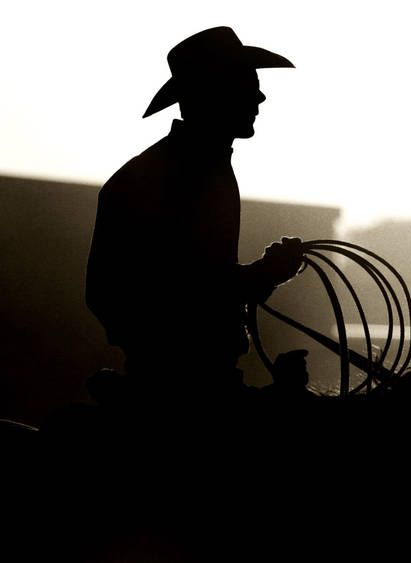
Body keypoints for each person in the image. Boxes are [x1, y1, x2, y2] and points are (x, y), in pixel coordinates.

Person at [86, 27, 305, 404]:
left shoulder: (189, 167)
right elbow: (188, 287)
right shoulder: (176, 175)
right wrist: (264, 274)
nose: (260, 95)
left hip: (188, 379)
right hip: (182, 390)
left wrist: (262, 275)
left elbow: (197, 282)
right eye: (246, 83)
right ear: (215, 92)